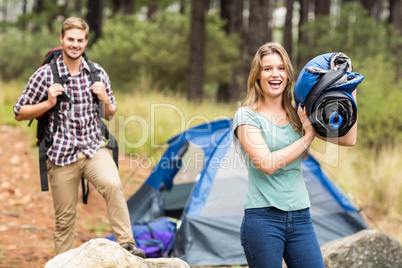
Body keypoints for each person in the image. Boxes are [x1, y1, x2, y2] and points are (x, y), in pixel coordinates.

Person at [14, 17, 145, 258]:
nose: (75, 44)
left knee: (114, 185)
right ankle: (63, 262)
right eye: (71, 39)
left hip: (93, 148)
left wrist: (105, 98)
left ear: (86, 42)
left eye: (80, 40)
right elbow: (19, 112)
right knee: (64, 221)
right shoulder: (45, 75)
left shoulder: (97, 73)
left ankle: (128, 247)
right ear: (62, 39)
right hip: (61, 155)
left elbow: (110, 113)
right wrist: (48, 102)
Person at [232, 42, 358, 268]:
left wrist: (348, 86)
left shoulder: (299, 112)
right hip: (263, 220)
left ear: (289, 75)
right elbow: (268, 164)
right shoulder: (246, 116)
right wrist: (307, 136)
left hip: (301, 218)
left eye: (281, 68)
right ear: (257, 75)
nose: (275, 74)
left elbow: (348, 139)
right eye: (267, 68)